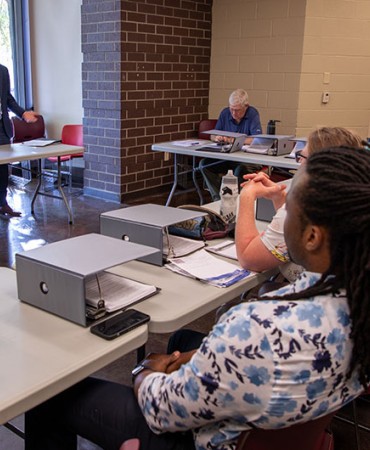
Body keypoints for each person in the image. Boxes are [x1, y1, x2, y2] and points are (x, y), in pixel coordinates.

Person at [25, 146, 370, 450]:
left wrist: (146, 370)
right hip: (284, 419)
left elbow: (161, 410)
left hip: (205, 438)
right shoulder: (356, 300)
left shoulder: (255, 327)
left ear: (312, 236)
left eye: (288, 208)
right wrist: (194, 355)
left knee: (48, 398)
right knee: (181, 340)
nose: (281, 217)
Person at [235, 126, 365, 283]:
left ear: (316, 164)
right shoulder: (356, 198)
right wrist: (280, 198)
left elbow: (248, 259)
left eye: (301, 157)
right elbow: (290, 231)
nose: (299, 163)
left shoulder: (310, 206)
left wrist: (247, 196)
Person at [199, 88, 262, 201]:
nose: (233, 113)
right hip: (227, 157)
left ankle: (235, 202)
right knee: (204, 165)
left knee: (240, 171)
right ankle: (218, 199)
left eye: (237, 110)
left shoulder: (253, 114)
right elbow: (212, 135)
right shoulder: (225, 113)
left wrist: (232, 140)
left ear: (246, 106)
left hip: (246, 159)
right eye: (231, 109)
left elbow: (256, 139)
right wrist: (217, 138)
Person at [0, 63, 39, 217]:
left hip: (1, 127)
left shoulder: (2, 71)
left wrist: (23, 113)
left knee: (2, 169)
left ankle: (3, 204)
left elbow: (8, 99)